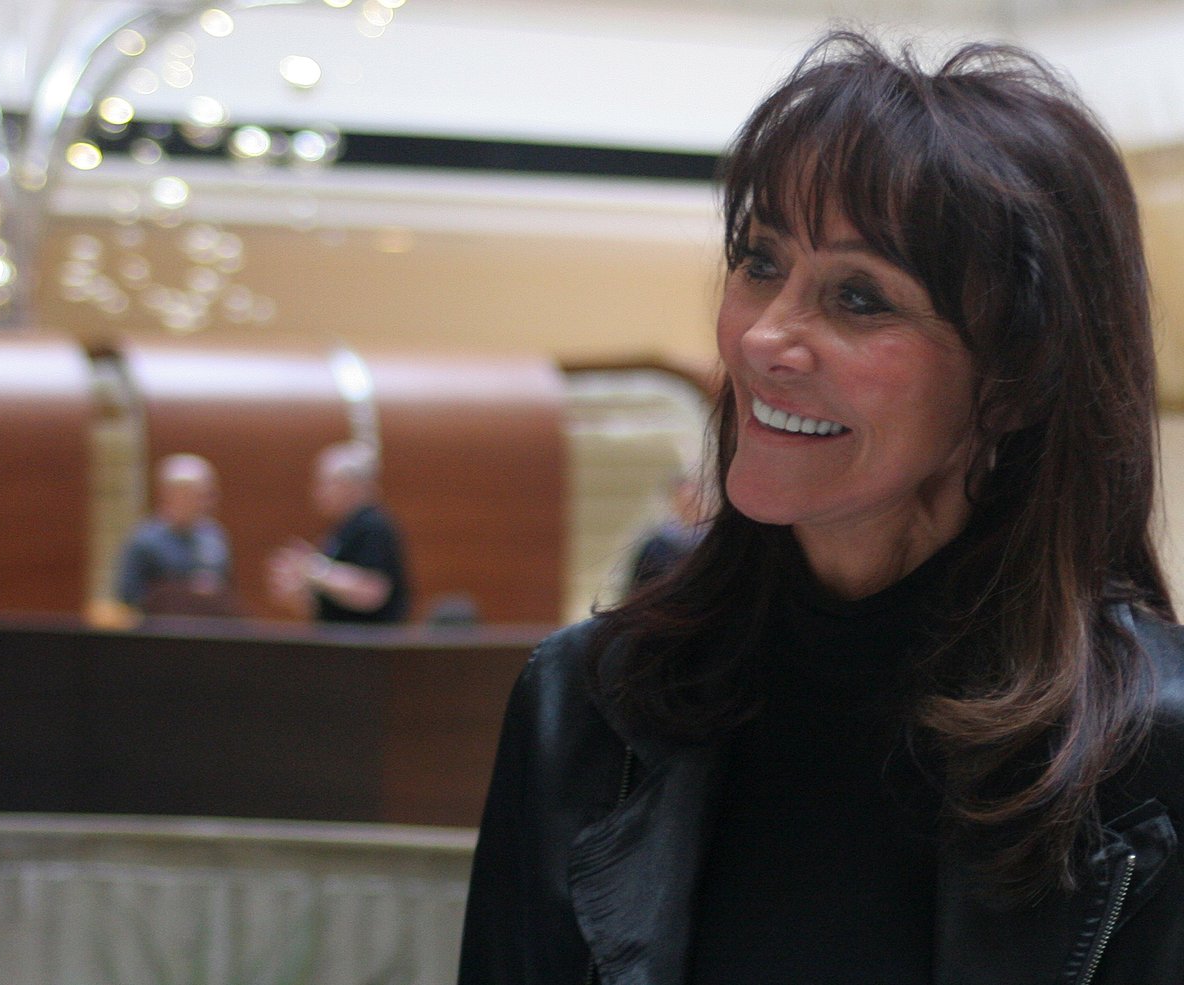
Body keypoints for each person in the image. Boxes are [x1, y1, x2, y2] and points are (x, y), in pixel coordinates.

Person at [458, 31, 1184, 985]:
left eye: (856, 296)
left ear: (1014, 379)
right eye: (759, 261)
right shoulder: (588, 703)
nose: (762, 337)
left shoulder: (1152, 752)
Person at [267, 440, 410, 624]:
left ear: (348, 485)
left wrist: (311, 569)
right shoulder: (342, 529)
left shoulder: (373, 526)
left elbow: (372, 591)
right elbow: (328, 603)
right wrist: (298, 588)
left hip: (369, 645)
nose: (316, 492)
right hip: (340, 642)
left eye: (324, 483)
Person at [114, 453, 237, 615]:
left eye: (207, 495)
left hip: (206, 630)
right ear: (171, 496)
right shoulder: (144, 541)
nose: (206, 503)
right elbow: (127, 598)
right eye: (196, 496)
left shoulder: (214, 536)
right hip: (158, 632)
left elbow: (227, 590)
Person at [625, 471, 707, 592]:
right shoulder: (656, 548)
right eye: (685, 501)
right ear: (673, 504)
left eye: (695, 500)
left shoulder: (714, 543)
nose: (692, 507)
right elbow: (637, 590)